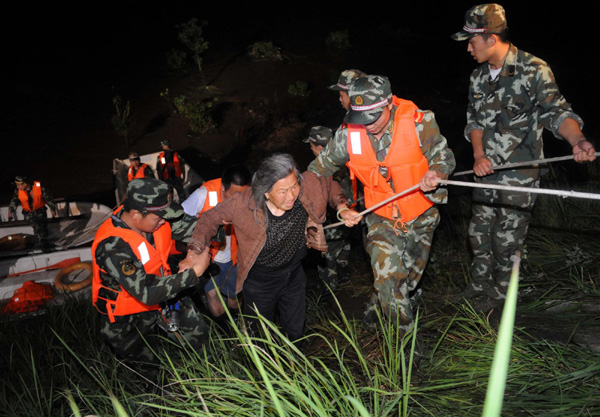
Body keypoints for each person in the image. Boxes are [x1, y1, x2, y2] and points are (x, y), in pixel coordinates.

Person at [451, 4, 596, 307]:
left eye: (471, 40)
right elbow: (474, 121)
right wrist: (478, 155)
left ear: (490, 38)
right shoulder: (477, 77)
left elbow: (557, 113)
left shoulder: (533, 69)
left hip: (519, 173)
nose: (468, 47)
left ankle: (500, 299)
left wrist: (578, 140)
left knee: (507, 240)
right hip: (484, 172)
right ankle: (477, 287)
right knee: (479, 234)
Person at [309, 75, 456, 335]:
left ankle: (375, 310)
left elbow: (443, 156)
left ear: (389, 102)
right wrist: (338, 206)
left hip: (421, 214)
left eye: (374, 117)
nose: (368, 126)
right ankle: (406, 349)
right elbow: (317, 172)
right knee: (389, 279)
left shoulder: (419, 122)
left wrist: (438, 173)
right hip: (380, 217)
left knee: (406, 283)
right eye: (361, 119)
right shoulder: (348, 134)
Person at [182, 153, 361, 342]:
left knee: (295, 332)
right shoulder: (244, 204)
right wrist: (194, 252)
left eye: (294, 186)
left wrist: (342, 207)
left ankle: (293, 365)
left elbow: (327, 182)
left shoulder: (305, 186)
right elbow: (208, 219)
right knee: (260, 337)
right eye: (283, 191)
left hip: (293, 276)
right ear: (266, 191)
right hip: (260, 283)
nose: (291, 195)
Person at [91, 178, 211, 381]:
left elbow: (199, 228)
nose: (165, 221)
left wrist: (219, 221)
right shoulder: (112, 246)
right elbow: (145, 291)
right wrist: (193, 274)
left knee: (199, 340)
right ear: (136, 215)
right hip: (127, 315)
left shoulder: (155, 218)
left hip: (165, 294)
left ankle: (211, 382)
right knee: (149, 370)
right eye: (160, 218)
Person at [181, 165, 252, 321]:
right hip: (208, 258)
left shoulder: (250, 197)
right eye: (233, 195)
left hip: (233, 256)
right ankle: (226, 329)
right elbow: (179, 223)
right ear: (222, 188)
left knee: (234, 296)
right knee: (212, 294)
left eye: (243, 195)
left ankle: (239, 324)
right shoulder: (202, 195)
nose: (238, 201)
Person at [304, 126, 353, 295]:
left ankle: (330, 294)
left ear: (318, 147)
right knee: (343, 250)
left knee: (327, 259)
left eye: (311, 145)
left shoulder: (322, 170)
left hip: (332, 223)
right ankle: (344, 279)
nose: (310, 148)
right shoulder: (344, 162)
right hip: (348, 218)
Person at [8, 175, 57, 251]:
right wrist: (10, 211)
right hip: (28, 213)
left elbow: (49, 198)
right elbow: (14, 201)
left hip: (40, 211)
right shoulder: (18, 191)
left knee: (43, 228)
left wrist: (52, 210)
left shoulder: (40, 188)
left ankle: (44, 242)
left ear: (24, 184)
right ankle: (42, 247)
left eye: (19, 185)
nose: (17, 187)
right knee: (37, 227)